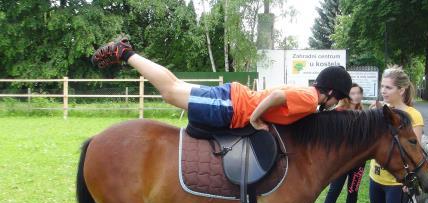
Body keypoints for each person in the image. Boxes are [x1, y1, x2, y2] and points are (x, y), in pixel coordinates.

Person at [90, 38, 353, 130]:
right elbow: (274, 100)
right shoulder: (309, 100)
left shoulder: (306, 93)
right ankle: (123, 53)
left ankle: (125, 51)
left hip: (232, 99)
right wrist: (256, 119)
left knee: (175, 84)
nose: (334, 104)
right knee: (170, 92)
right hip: (231, 107)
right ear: (329, 92)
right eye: (337, 99)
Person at [369, 66, 424, 203]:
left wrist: (409, 182)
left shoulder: (412, 115)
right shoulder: (382, 111)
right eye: (382, 86)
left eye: (388, 87)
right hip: (376, 180)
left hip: (397, 186)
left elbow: (414, 151)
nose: (383, 90)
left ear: (401, 90)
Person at [310, 83, 366, 203]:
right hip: (342, 161)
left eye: (358, 93)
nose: (356, 96)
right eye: (352, 93)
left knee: (353, 190)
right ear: (348, 95)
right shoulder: (339, 112)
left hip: (359, 161)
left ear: (361, 95)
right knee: (334, 189)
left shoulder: (364, 113)